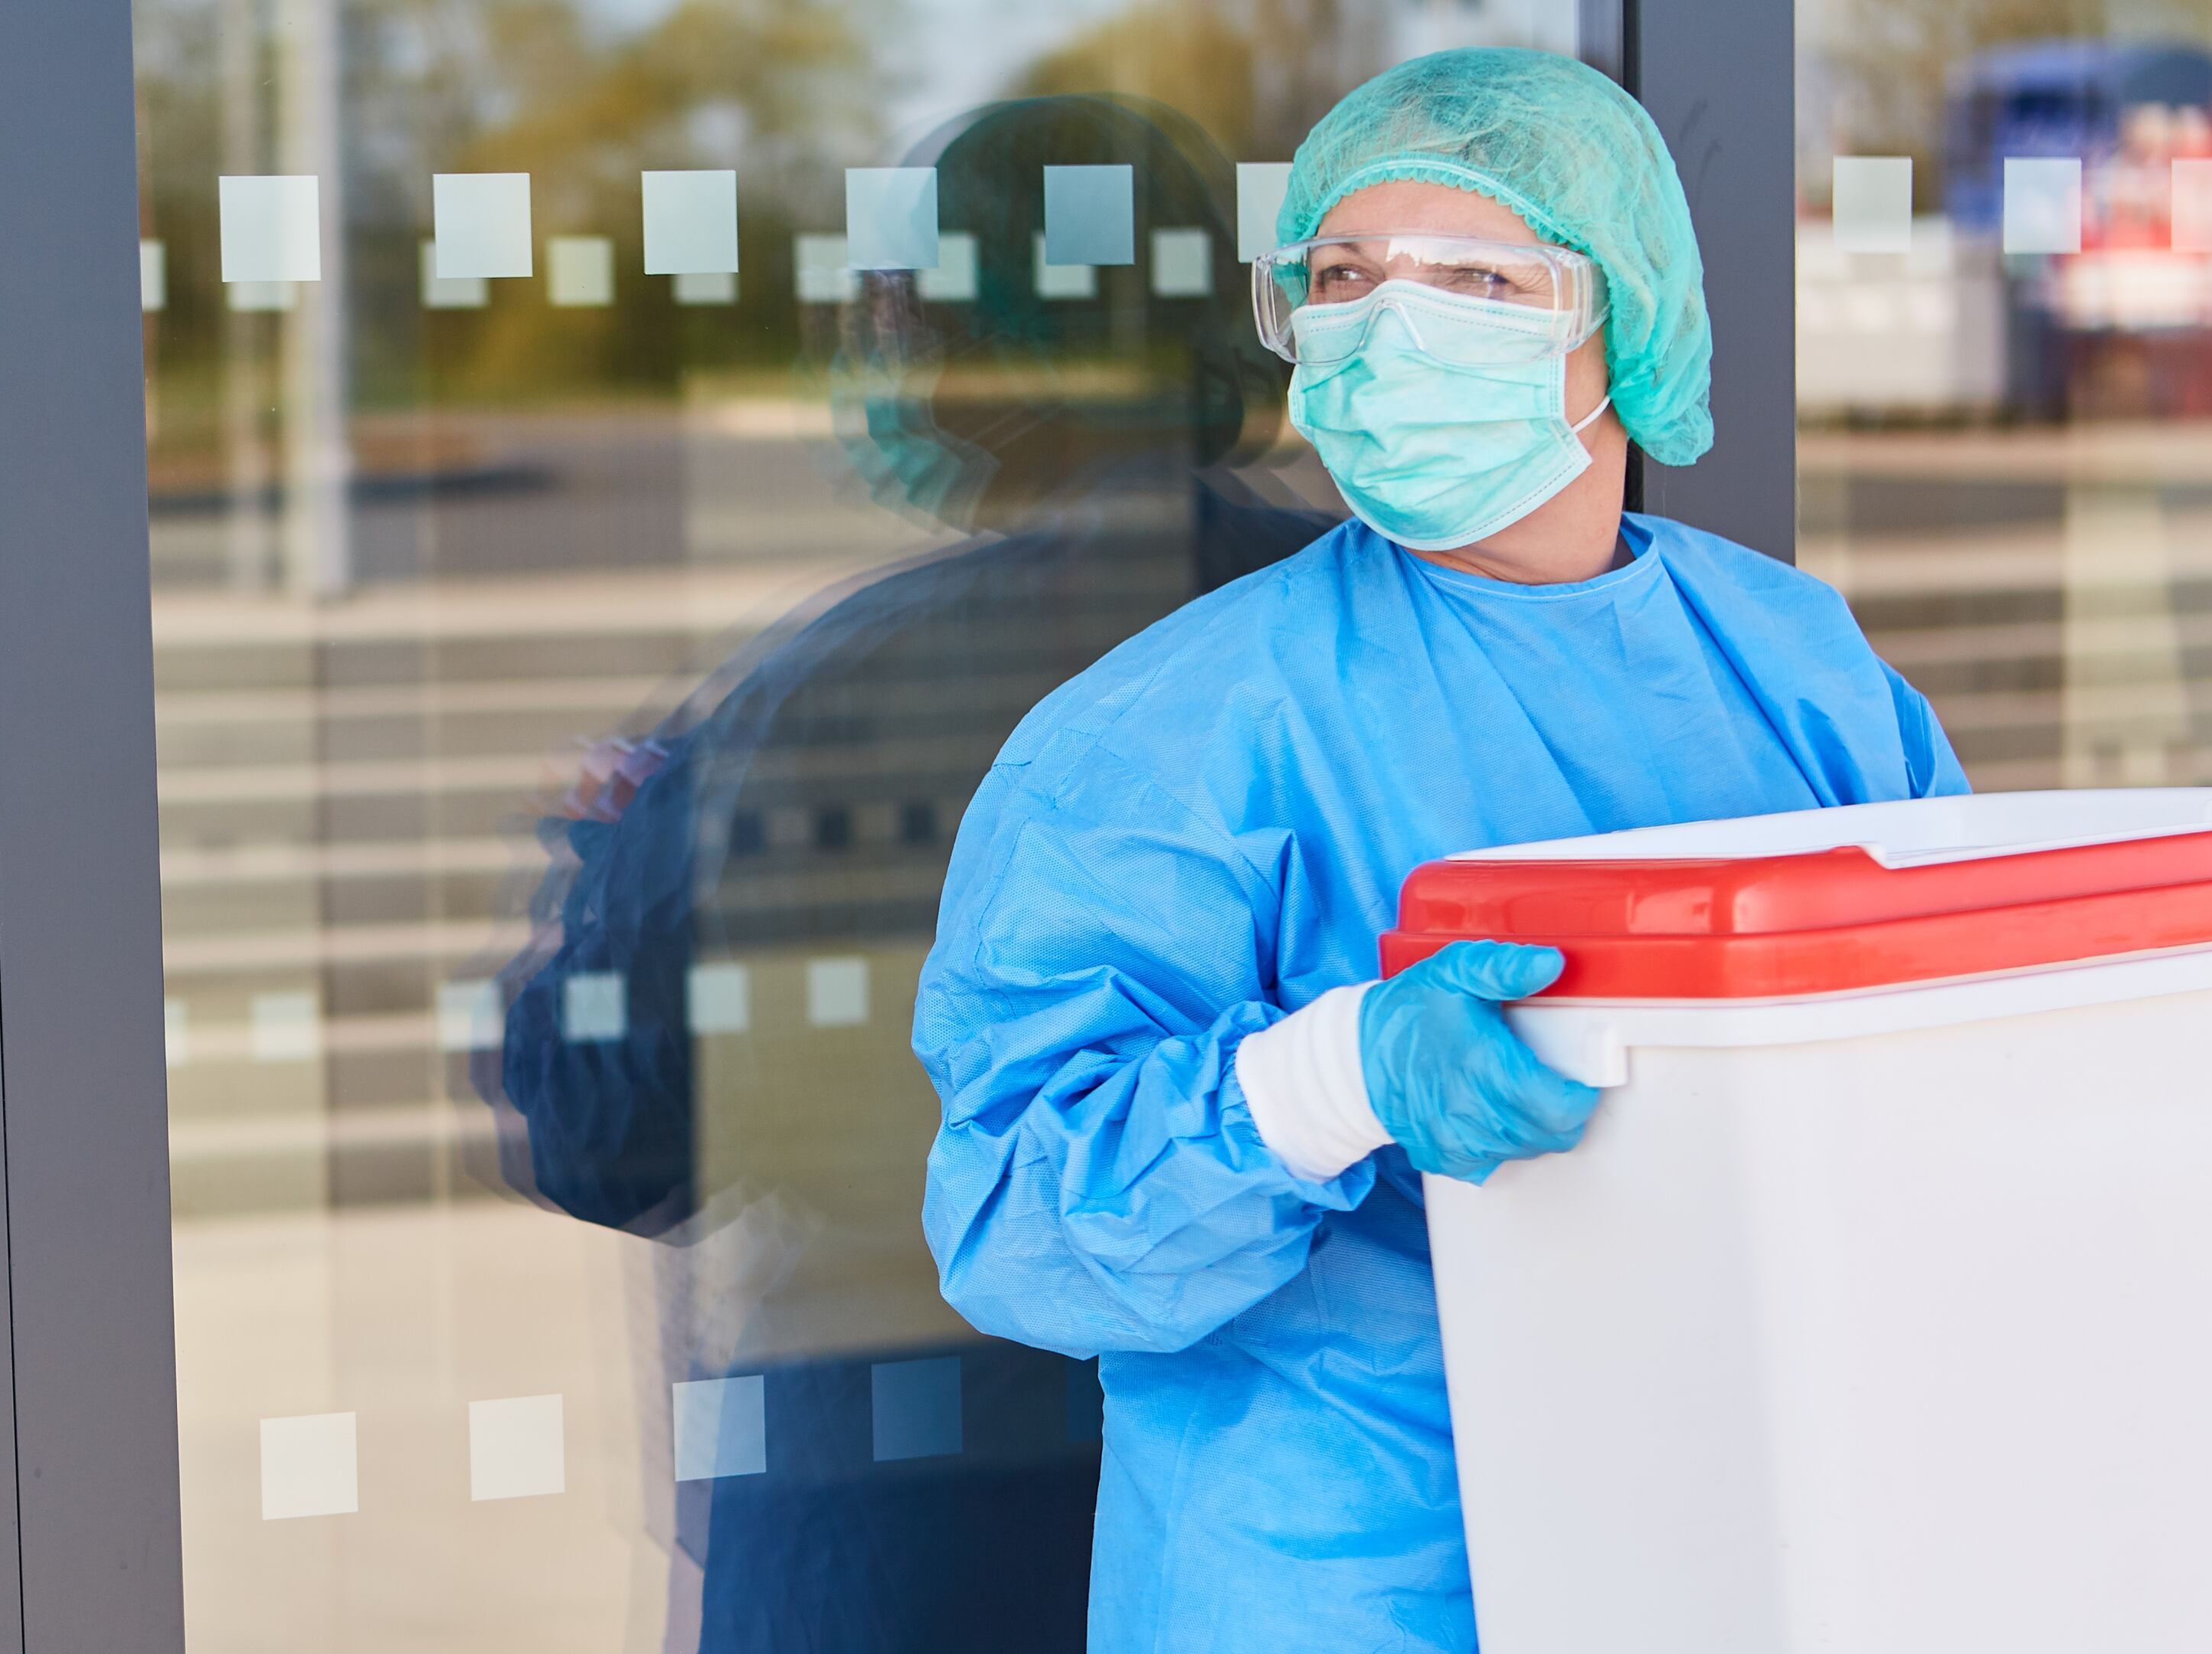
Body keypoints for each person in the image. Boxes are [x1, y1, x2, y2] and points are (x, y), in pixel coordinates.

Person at [912, 47, 1969, 1654]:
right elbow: (1016, 1229)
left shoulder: (1801, 669)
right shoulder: (1168, 735)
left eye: (1475, 277)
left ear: (1625, 317)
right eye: (1343, 276)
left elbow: (1948, 1049)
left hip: (1733, 1544)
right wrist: (1334, 1078)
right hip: (1332, 1585)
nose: (1390, 325)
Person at [474, 94, 1328, 1652]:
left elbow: (604, 1132)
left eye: (899, 302)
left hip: (907, 1505)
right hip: (1303, 1486)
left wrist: (602, 864)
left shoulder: (831, 691)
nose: (879, 345)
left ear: (990, 332)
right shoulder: (1397, 633)